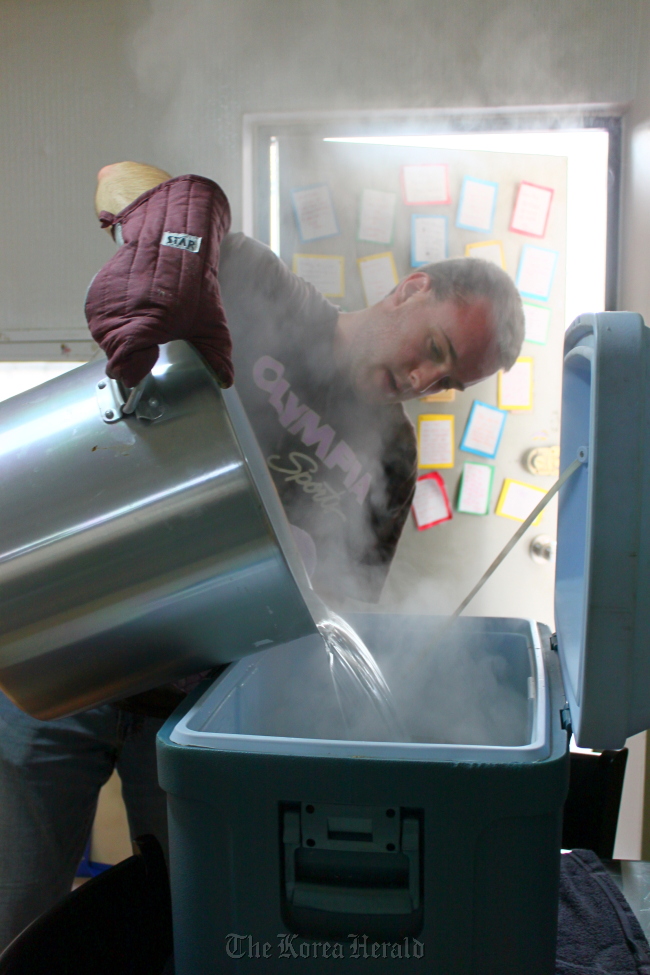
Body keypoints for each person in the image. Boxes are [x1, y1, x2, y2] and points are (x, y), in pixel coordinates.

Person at [0, 163, 524, 950]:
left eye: (447, 380)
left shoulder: (390, 461)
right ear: (412, 289)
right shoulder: (256, 287)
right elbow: (119, 183)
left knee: (180, 932)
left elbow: (342, 615)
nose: (422, 378)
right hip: (70, 653)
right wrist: (176, 222)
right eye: (435, 349)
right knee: (17, 914)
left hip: (188, 717)